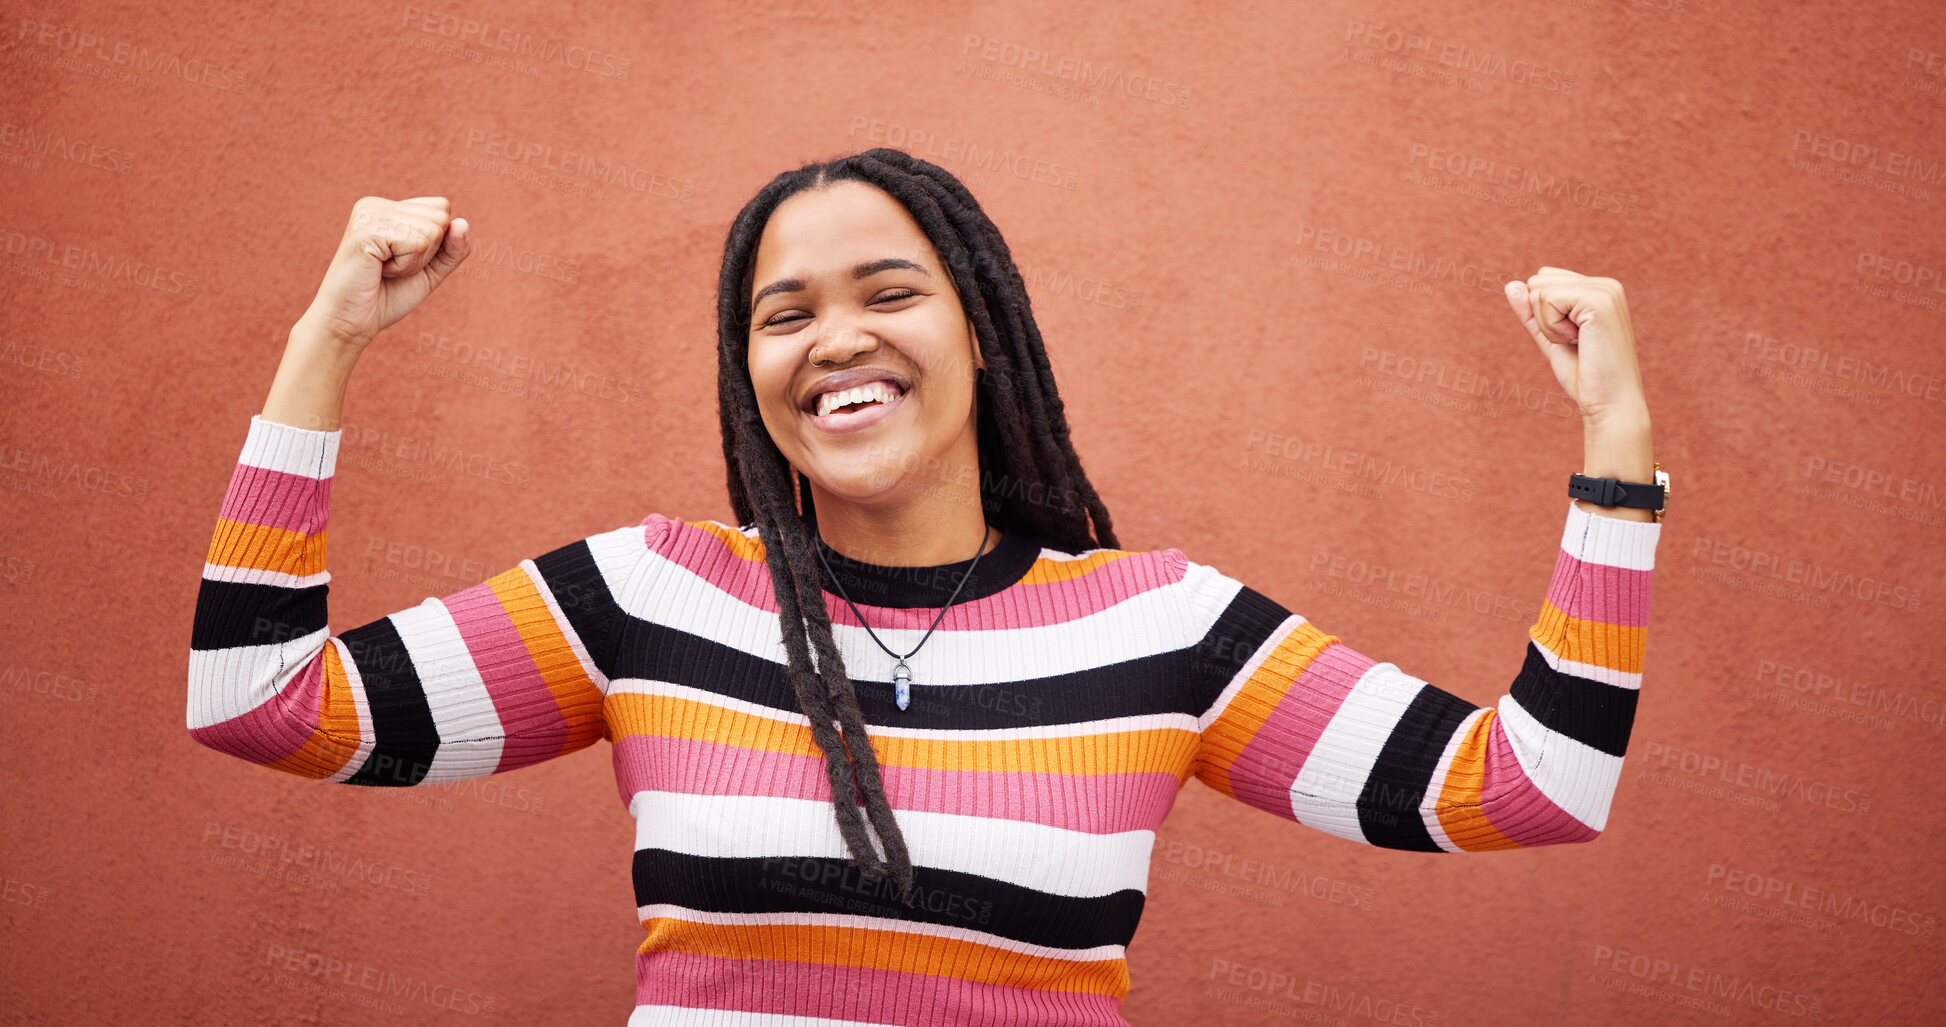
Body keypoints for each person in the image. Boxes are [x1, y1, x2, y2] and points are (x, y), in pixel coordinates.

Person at [188, 147, 1663, 1025]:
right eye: (784, 316)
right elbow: (261, 705)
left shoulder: (1160, 627)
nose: (834, 338)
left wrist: (1613, 449)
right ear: (746, 375)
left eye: (887, 293)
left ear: (978, 337)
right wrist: (331, 341)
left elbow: (1525, 790)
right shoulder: (648, 599)